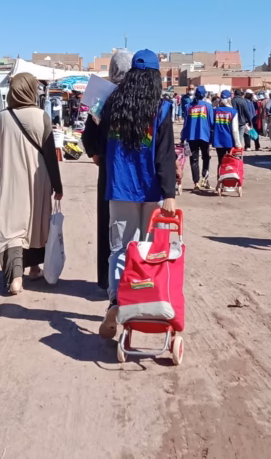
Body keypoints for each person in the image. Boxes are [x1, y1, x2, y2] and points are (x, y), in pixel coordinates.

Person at [98, 49, 176, 338]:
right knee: (149, 249)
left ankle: (117, 301)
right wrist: (170, 193)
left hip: (120, 188)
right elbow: (164, 154)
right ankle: (145, 299)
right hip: (152, 189)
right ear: (156, 76)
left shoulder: (111, 104)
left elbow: (95, 141)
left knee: (120, 249)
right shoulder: (162, 108)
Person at [0, 73, 63, 294]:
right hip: (38, 181)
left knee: (12, 228)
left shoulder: (1, 118)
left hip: (10, 180)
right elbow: (50, 156)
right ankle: (34, 268)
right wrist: (57, 186)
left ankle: (16, 278)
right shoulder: (41, 116)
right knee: (35, 224)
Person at [82, 49, 132, 290]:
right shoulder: (139, 96)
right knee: (131, 228)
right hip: (133, 172)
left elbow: (89, 136)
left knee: (107, 223)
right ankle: (132, 280)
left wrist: (96, 153)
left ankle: (107, 279)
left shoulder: (101, 97)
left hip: (108, 170)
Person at [181, 86, 214, 189]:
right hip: (205, 136)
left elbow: (186, 124)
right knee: (206, 158)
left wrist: (183, 137)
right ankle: (205, 179)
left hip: (191, 137)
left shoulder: (188, 106)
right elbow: (211, 122)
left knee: (193, 159)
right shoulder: (208, 106)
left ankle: (196, 183)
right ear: (204, 95)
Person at [214, 89, 244, 166]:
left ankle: (220, 173)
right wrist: (238, 143)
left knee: (220, 162)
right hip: (229, 141)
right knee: (230, 162)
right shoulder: (233, 112)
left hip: (218, 140)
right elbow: (235, 129)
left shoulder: (215, 111)